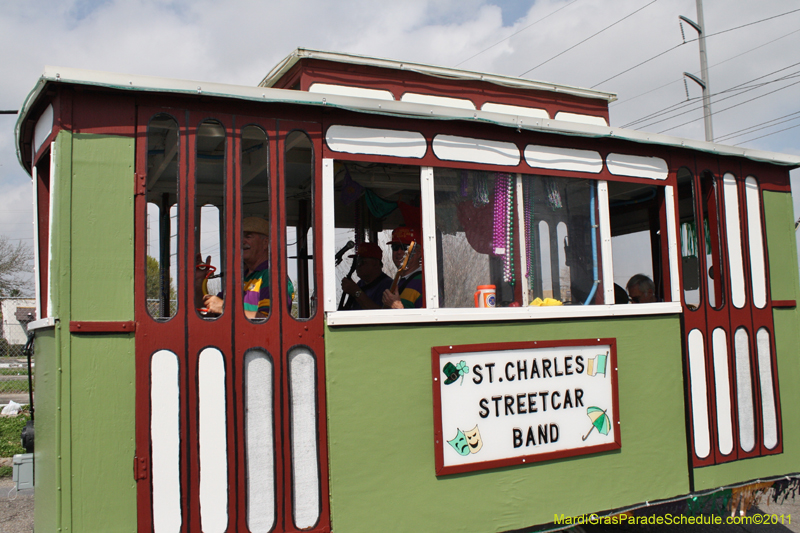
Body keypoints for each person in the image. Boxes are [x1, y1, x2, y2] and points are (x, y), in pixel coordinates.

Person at [195, 216, 292, 318]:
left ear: (265, 243)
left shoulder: (272, 276)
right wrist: (198, 282)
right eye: (239, 237)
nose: (242, 241)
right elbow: (208, 311)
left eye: (248, 236)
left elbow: (272, 321)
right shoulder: (241, 279)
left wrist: (224, 308)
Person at [340, 242, 393, 310]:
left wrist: (355, 291)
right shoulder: (360, 284)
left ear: (376, 263)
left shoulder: (388, 286)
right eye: (357, 262)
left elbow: (380, 314)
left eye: (362, 262)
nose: (358, 265)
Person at [382, 226, 424, 309]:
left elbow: (428, 320)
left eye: (405, 247)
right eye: (395, 247)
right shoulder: (398, 281)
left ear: (419, 253)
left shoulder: (424, 283)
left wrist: (397, 307)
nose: (399, 252)